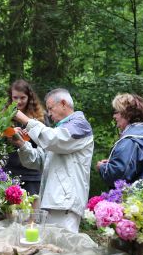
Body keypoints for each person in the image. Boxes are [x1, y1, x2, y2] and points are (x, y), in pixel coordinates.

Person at [10, 88, 94, 232]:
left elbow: (52, 139)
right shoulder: (60, 130)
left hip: (65, 204)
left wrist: (25, 119)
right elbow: (39, 160)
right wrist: (21, 145)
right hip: (53, 202)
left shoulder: (80, 125)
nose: (49, 113)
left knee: (63, 249)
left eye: (50, 108)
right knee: (52, 249)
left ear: (63, 103)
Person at [4, 80, 45, 197]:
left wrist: (32, 132)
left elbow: (46, 143)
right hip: (10, 171)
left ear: (29, 97)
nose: (18, 101)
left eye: (22, 97)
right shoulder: (4, 116)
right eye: (15, 97)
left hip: (32, 173)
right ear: (10, 97)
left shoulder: (40, 117)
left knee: (32, 213)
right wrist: (9, 133)